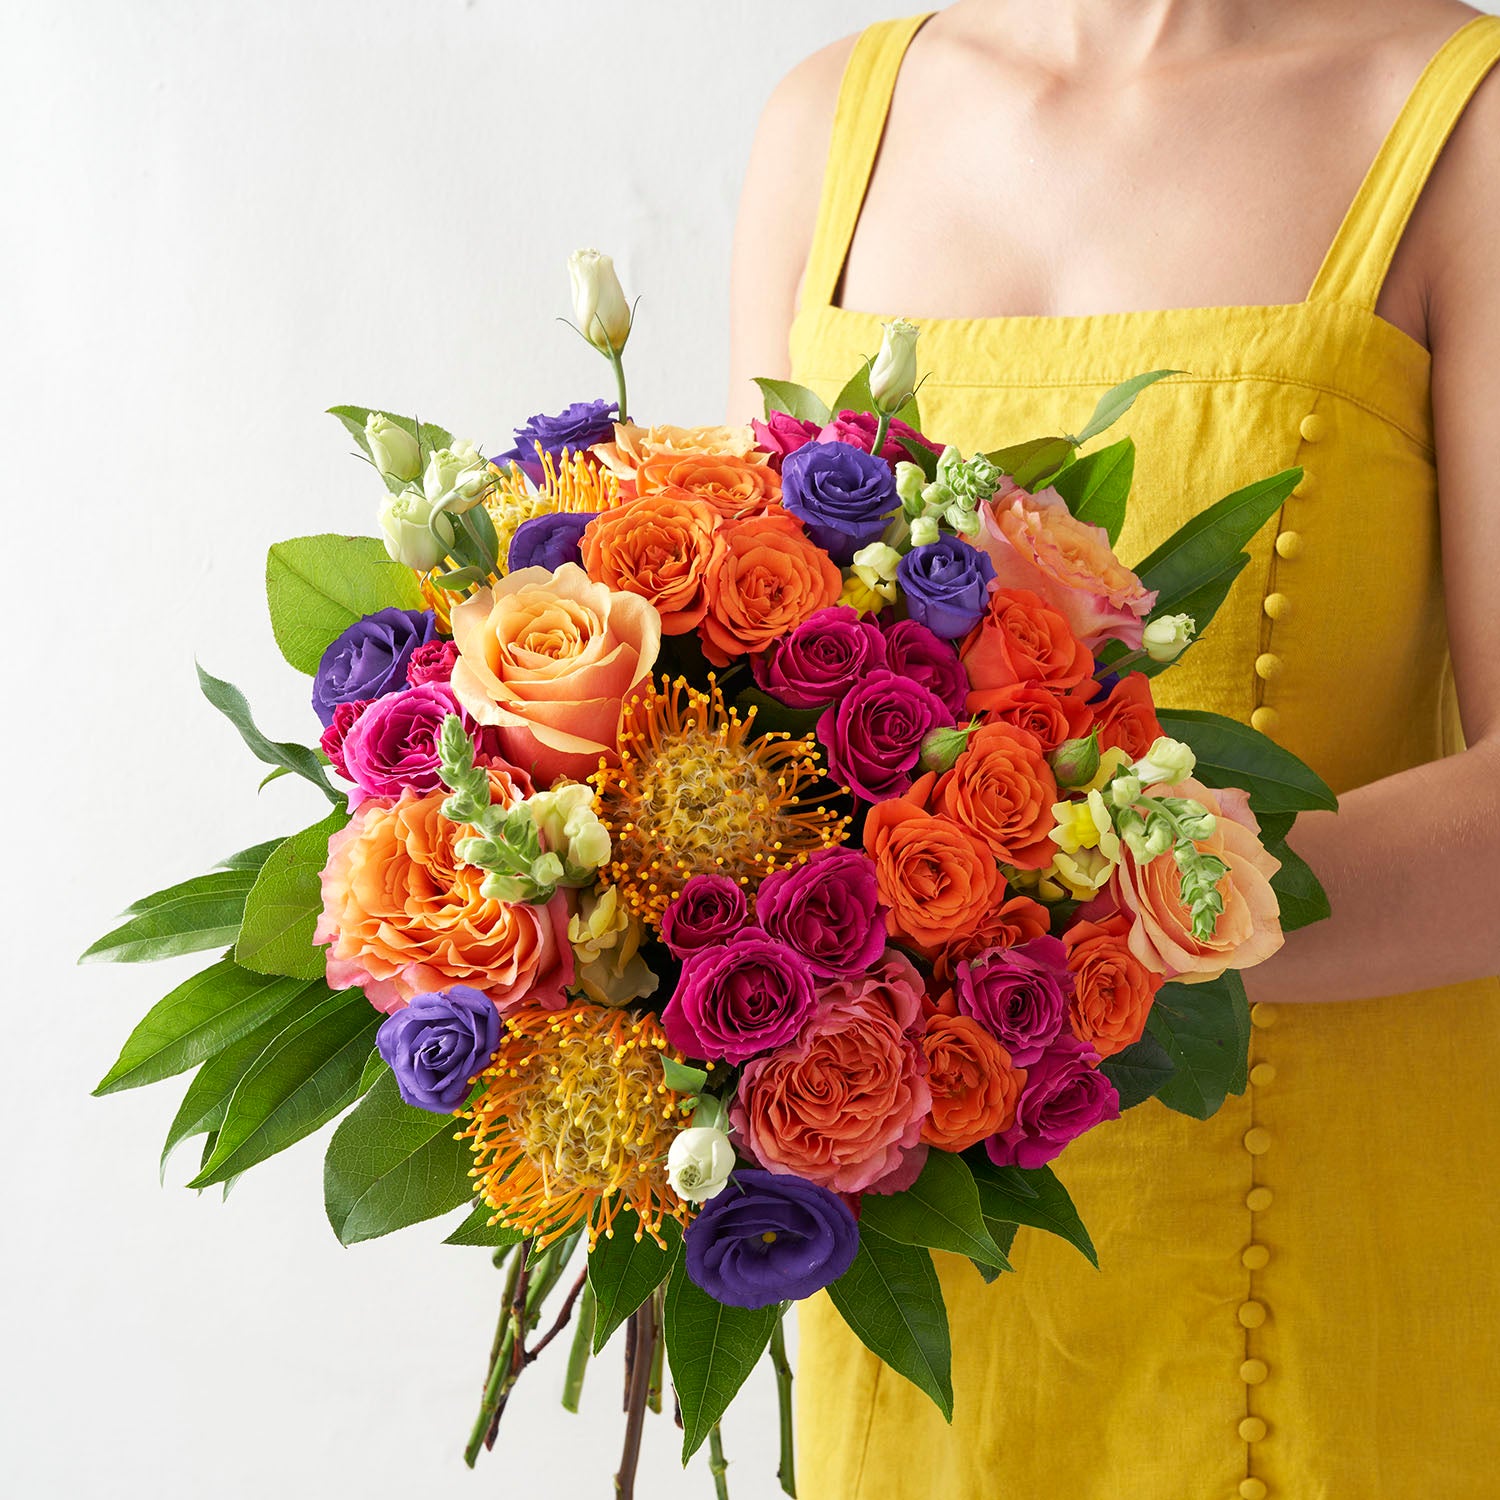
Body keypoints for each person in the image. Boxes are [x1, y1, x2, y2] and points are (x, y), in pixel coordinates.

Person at [727, 4, 1500, 1496]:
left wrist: (1061, 928)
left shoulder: (1461, 120)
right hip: (931, 1319)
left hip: (1328, 1294)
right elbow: (767, 709)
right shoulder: (828, 124)